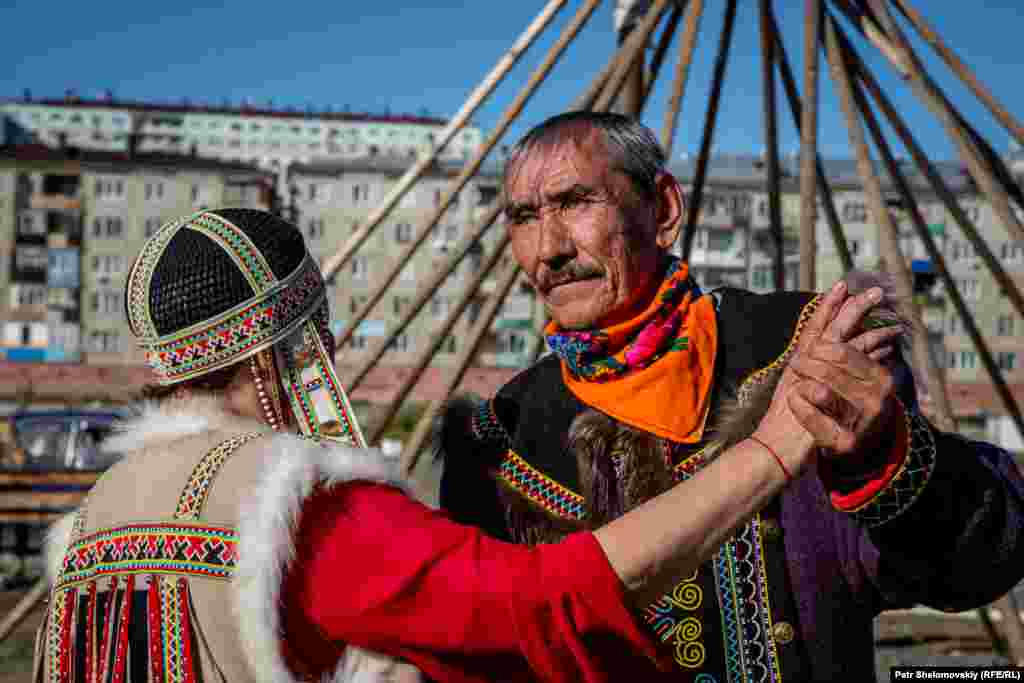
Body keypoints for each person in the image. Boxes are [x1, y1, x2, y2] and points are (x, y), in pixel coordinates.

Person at [437, 111, 1024, 681]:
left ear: (663, 209)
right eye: (523, 218)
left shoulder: (808, 349)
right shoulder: (501, 440)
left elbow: (972, 567)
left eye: (574, 203)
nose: (548, 249)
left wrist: (884, 459)